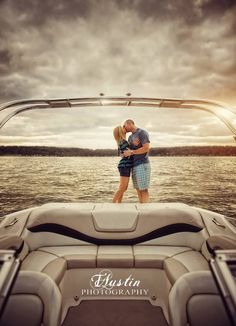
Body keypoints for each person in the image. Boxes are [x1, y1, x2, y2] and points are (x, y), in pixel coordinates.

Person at [123, 119, 151, 203]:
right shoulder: (130, 137)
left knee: (143, 190)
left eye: (125, 126)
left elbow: (146, 148)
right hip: (134, 165)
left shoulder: (142, 133)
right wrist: (133, 147)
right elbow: (127, 151)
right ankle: (142, 210)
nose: (124, 127)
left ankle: (146, 212)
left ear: (130, 124)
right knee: (138, 189)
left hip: (142, 164)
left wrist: (132, 151)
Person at [112, 125, 133, 203]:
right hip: (125, 166)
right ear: (120, 131)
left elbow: (122, 154)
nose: (125, 128)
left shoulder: (121, 141)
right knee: (123, 188)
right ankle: (112, 204)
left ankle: (119, 204)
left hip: (124, 166)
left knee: (123, 187)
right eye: (123, 128)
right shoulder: (123, 142)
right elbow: (128, 153)